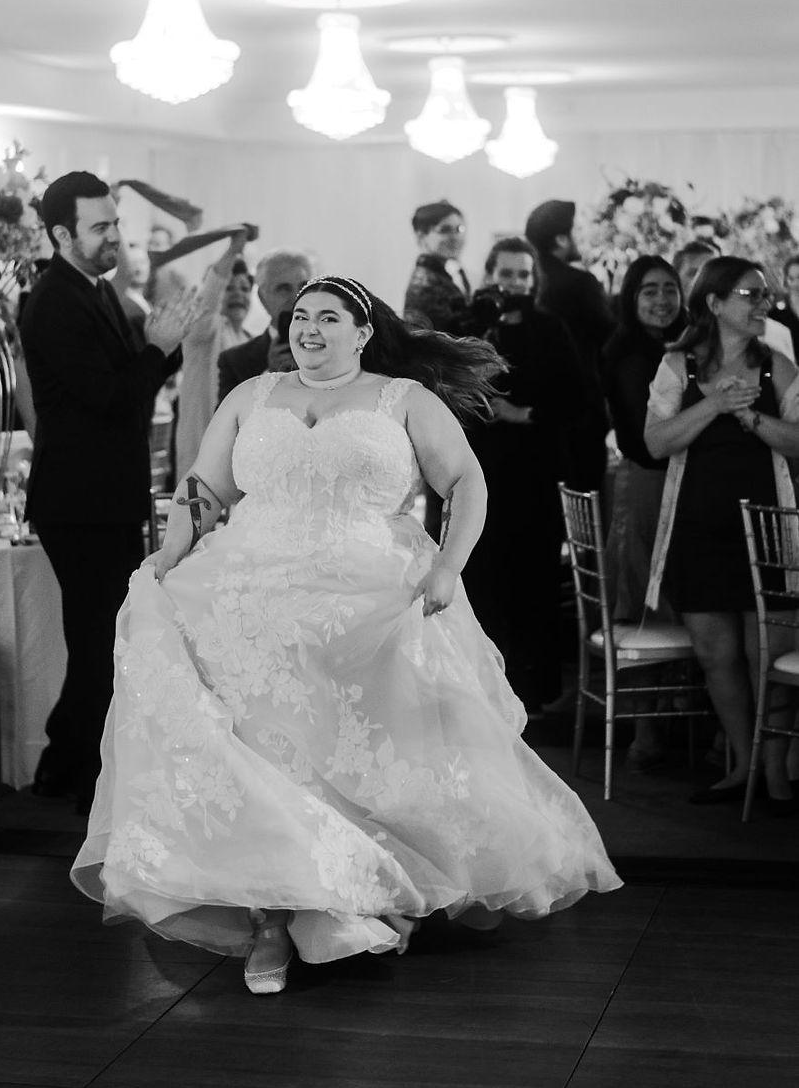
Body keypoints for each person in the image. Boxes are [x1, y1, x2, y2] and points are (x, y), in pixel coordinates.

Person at [72, 274, 621, 992]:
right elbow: (203, 490)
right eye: (301, 316)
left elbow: (465, 482)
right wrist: (171, 556)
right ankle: (271, 917)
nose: (310, 329)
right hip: (250, 600)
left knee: (373, 751)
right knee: (259, 752)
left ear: (363, 333)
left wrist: (449, 565)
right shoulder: (251, 397)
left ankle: (377, 888)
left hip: (369, 598)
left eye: (329, 318)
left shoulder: (403, 399)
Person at [20, 171, 200, 813]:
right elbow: (107, 399)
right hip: (79, 499)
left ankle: (61, 762)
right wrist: (157, 349)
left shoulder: (95, 290)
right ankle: (85, 780)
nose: (115, 238)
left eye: (115, 224)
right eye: (100, 227)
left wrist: (167, 348)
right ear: (62, 233)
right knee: (102, 639)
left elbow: (132, 377)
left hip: (104, 494)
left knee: (103, 637)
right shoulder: (54, 302)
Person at [644, 256, 799, 811]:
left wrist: (750, 416)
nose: (764, 304)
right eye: (750, 294)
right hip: (697, 531)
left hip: (768, 535)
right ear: (713, 303)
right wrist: (714, 401)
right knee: (716, 655)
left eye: (765, 296)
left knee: (768, 656)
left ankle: (777, 776)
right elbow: (657, 443)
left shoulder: (777, 365)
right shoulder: (676, 366)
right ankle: (742, 762)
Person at [460, 237, 586, 712]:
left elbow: (577, 399)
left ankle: (535, 693)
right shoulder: (471, 327)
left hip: (534, 474)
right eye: (506, 273)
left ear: (534, 281)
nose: (513, 283)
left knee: (533, 582)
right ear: (489, 273)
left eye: (523, 275)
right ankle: (481, 691)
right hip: (478, 472)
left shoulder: (549, 328)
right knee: (481, 579)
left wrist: (523, 414)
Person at [601, 256, 687, 767]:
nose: (661, 300)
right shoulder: (630, 352)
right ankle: (644, 728)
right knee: (644, 596)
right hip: (648, 482)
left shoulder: (685, 346)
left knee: (680, 594)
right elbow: (648, 439)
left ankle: (680, 712)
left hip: (680, 483)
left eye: (670, 289)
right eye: (649, 291)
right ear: (632, 298)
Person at [524, 199, 614, 489]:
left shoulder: (531, 282)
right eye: (577, 230)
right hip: (581, 407)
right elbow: (610, 338)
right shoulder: (580, 283)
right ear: (561, 238)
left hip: (538, 410)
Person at [175, 230, 253, 480]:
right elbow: (209, 297)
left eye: (244, 288)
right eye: (229, 288)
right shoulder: (203, 333)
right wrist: (232, 251)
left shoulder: (250, 339)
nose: (238, 294)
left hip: (239, 459)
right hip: (201, 457)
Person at [217, 247, 312, 399]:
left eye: (304, 287)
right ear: (262, 297)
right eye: (284, 289)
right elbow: (230, 421)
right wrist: (269, 377)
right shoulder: (234, 362)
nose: (296, 297)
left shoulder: (337, 349)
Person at [402, 202, 472, 331]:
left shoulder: (447, 272)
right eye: (445, 230)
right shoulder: (425, 285)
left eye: (459, 229)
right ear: (421, 236)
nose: (455, 237)